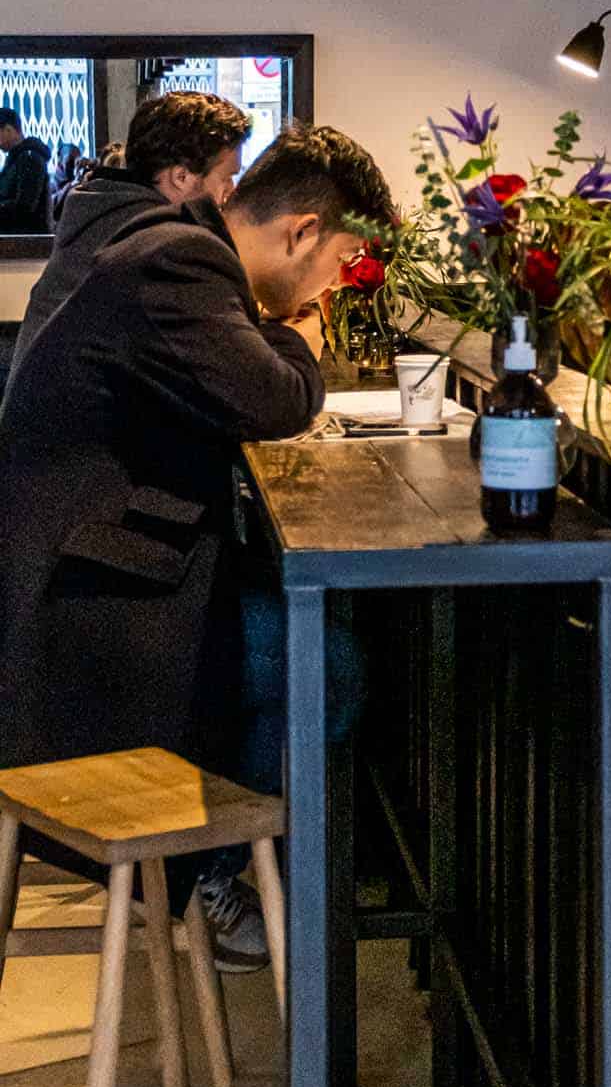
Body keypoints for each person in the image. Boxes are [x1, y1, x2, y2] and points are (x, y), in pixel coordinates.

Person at [0, 123, 393, 964]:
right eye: (333, 268)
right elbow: (278, 399)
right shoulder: (183, 262)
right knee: (326, 660)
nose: (329, 288)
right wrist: (301, 334)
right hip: (82, 619)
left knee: (305, 641)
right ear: (302, 233)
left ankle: (227, 872)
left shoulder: (163, 245)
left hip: (86, 577)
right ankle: (214, 876)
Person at [14, 91, 252, 369]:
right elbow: (245, 379)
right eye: (227, 178)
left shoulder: (101, 212)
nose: (231, 191)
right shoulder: (162, 249)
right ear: (181, 177)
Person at [0, 107, 52, 233]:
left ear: (9, 129)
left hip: (25, 239)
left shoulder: (30, 158)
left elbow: (25, 206)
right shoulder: (16, 158)